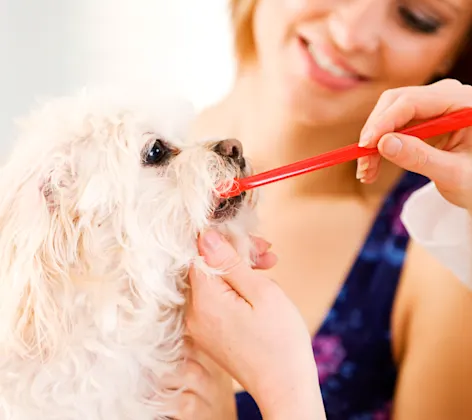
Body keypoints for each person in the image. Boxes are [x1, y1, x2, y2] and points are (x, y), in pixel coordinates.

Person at [172, 0, 472, 419]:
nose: (351, 35)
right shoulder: (98, 171)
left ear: (454, 51)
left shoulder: (443, 245)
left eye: (416, 17)